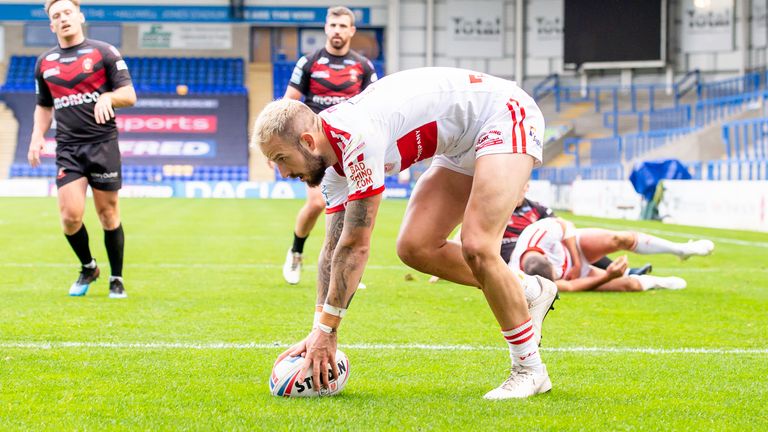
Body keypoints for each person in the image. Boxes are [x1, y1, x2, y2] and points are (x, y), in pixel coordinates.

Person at [254, 67, 558, 399]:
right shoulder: (328, 163)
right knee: (415, 246)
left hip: (501, 113)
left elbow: (355, 246)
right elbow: (333, 248)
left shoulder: (356, 135)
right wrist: (318, 330)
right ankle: (527, 289)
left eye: (281, 159)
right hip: (461, 142)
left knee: (478, 246)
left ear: (308, 141)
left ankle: (530, 370)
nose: (282, 172)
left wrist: (329, 331)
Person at [27, 0, 136, 298]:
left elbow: (129, 94)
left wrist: (108, 98)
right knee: (70, 216)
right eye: (56, 16)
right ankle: (89, 267)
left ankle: (116, 277)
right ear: (51, 25)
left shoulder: (104, 52)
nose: (63, 19)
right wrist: (37, 134)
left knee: (108, 214)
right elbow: (43, 105)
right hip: (68, 148)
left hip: (102, 144)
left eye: (67, 13)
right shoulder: (44, 62)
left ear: (79, 16)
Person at [281, 5, 378, 285]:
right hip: (313, 147)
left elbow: (375, 105)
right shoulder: (309, 62)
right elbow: (289, 102)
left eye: (342, 26)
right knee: (317, 203)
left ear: (351, 31)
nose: (337, 31)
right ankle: (296, 252)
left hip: (349, 146)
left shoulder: (363, 66)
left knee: (351, 209)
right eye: (332, 25)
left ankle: (343, 267)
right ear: (326, 28)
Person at [429, 183, 651, 283]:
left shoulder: (536, 208)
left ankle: (628, 272)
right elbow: (466, 233)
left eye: (523, 188)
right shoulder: (496, 208)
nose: (520, 191)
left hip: (541, 252)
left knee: (579, 249)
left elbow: (562, 227)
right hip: (514, 260)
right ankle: (623, 276)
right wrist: (443, 268)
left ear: (526, 188)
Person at [509, 217, 714, 292]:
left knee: (620, 239)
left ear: (545, 257)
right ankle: (657, 282)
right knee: (629, 285)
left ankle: (681, 249)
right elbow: (569, 286)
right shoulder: (519, 276)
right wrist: (608, 276)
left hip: (576, 248)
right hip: (577, 274)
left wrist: (578, 263)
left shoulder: (537, 234)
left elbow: (566, 226)